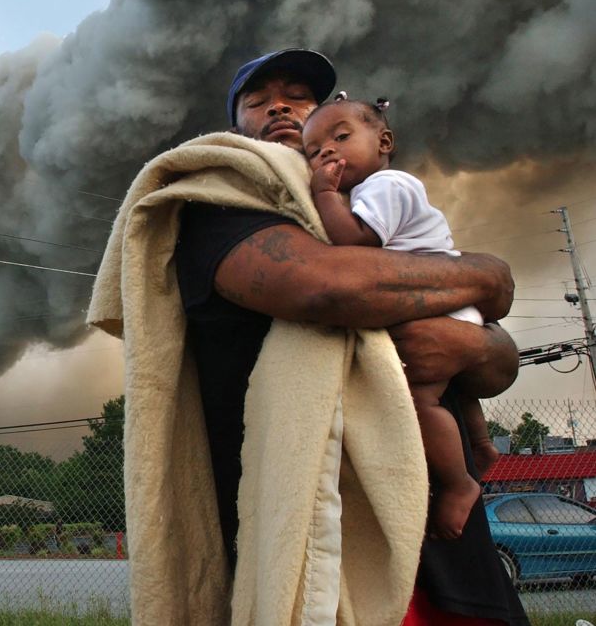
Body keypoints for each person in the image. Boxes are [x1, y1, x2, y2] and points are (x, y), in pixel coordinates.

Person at [171, 49, 526, 624]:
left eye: (298, 97)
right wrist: (487, 276)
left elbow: (496, 362)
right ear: (235, 128)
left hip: (444, 542)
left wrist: (480, 345)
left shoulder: (382, 198)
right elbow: (329, 287)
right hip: (322, 529)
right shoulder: (217, 201)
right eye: (257, 102)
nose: (279, 106)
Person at [303, 94, 498, 541]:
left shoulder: (382, 187)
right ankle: (482, 445)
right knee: (456, 387)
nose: (327, 151)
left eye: (341, 137)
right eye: (313, 151)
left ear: (384, 140)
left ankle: (458, 482)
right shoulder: (388, 188)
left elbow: (356, 242)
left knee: (421, 400)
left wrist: (323, 193)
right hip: (451, 306)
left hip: (436, 308)